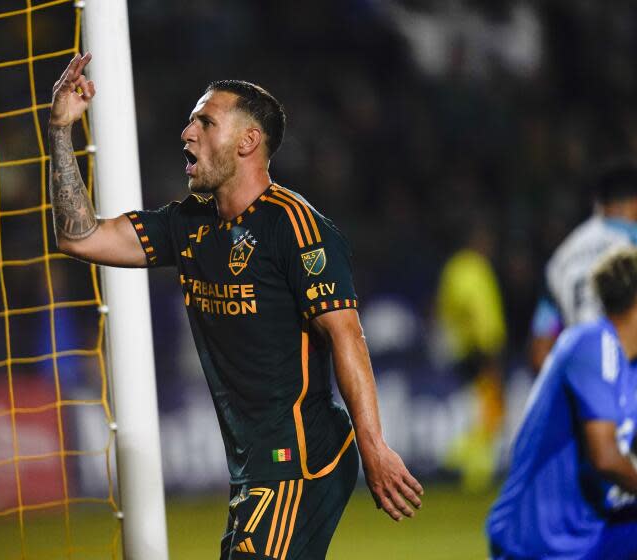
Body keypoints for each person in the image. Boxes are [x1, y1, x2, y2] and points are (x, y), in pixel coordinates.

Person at [47, 53, 423, 558]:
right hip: (254, 463)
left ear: (248, 142)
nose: (187, 133)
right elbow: (81, 239)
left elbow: (345, 335)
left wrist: (374, 446)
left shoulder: (297, 229)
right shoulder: (187, 224)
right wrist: (59, 131)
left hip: (301, 460)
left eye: (205, 121)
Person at [486, 247, 637, 560]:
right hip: (537, 544)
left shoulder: (628, 368)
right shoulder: (592, 342)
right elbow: (605, 457)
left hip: (587, 537)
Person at [529, 160, 637, 372]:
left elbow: (541, 344)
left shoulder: (561, 258)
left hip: (583, 377)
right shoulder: (631, 242)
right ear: (634, 204)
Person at [436, 220, 507, 492]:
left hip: (459, 349)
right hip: (477, 351)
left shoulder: (453, 268)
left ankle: (460, 461)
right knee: (487, 411)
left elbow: (448, 307)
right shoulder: (474, 268)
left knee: (473, 410)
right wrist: (488, 352)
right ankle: (472, 470)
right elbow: (479, 311)